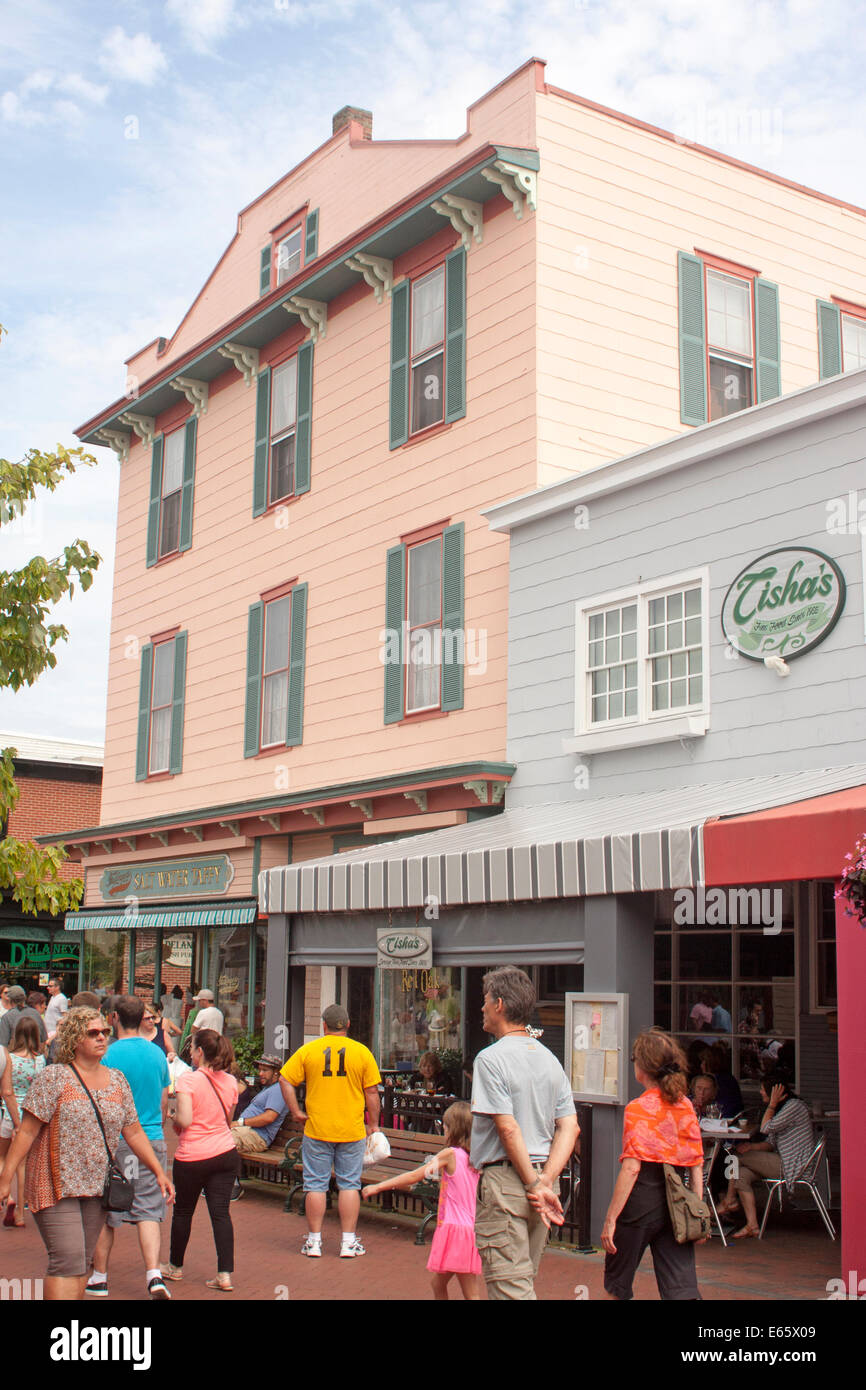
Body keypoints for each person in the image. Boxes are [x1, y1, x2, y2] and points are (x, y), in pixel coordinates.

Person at [0, 1007, 173, 1301]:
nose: (101, 1038)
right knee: (66, 1259)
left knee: (81, 1262)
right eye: (92, 1033)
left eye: (104, 1032)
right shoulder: (54, 1077)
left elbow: (133, 1131)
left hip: (96, 1185)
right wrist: (6, 1179)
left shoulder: (117, 1080)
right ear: (74, 1039)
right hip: (55, 1183)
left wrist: (159, 1172)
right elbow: (27, 1132)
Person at [470, 965, 579, 1301]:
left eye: (486, 1001)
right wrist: (546, 1180)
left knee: (510, 1289)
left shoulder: (490, 1059)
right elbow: (570, 1126)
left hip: (507, 1181)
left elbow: (506, 1126)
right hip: (544, 1181)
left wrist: (532, 1183)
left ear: (500, 1004)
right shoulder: (550, 1059)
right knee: (522, 1281)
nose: (483, 1008)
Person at [601, 1029, 705, 1301]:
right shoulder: (685, 1105)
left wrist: (611, 1218)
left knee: (618, 1285)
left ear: (642, 1067)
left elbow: (632, 1168)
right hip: (676, 1198)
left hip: (640, 1200)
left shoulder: (637, 1108)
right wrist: (698, 1211)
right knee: (681, 1288)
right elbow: (696, 1164)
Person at [85, 995, 173, 1300]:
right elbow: (163, 1101)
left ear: (114, 1018)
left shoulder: (107, 1055)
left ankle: (99, 1277)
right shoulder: (158, 1054)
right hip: (151, 1138)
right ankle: (154, 1275)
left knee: (106, 1209)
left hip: (116, 1142)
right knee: (149, 1209)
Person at [280, 1003, 382, 1259]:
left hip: (317, 1127)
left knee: (315, 1184)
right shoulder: (362, 1052)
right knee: (349, 1184)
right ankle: (348, 1242)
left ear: (323, 1026)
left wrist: (296, 1111)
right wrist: (374, 1125)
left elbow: (284, 1079)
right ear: (347, 1025)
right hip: (351, 1128)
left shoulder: (309, 1051)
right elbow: (372, 1092)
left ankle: (314, 1241)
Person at [362, 1100, 482, 1299]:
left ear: (454, 1130)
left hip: (455, 1229)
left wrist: (379, 1186)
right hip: (466, 1228)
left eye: (445, 1127)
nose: (443, 1130)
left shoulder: (450, 1154)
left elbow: (414, 1176)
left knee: (469, 1292)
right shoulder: (475, 1157)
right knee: (441, 1284)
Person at [162, 1029, 239, 1291]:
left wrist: (173, 1116)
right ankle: (224, 1274)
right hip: (225, 1152)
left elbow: (185, 1120)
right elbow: (228, 1121)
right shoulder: (230, 1082)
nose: (191, 1053)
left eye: (193, 1048)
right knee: (221, 1214)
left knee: (183, 1212)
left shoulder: (187, 1080)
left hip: (193, 1155)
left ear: (200, 1053)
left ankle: (175, 1267)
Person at [717, 1071, 815, 1238]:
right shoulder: (781, 1108)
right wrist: (752, 1147)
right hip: (781, 1160)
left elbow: (765, 1128)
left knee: (734, 1157)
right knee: (741, 1175)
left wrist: (771, 1104)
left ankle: (730, 1199)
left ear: (774, 1092)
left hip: (793, 1165)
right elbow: (769, 1143)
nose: (760, 1092)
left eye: (763, 1089)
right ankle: (752, 1225)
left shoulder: (794, 1106)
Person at [0, 1018, 46, 1225]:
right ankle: (20, 1212)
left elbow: (7, 1091)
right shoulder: (40, 1060)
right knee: (23, 1165)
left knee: (2, 1157)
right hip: (31, 1115)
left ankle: (7, 1195)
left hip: (11, 1114)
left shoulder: (9, 1058)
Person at [230, 1054, 289, 1158]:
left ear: (276, 1072)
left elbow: (269, 1117)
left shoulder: (279, 1089)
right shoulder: (268, 1088)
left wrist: (241, 1122)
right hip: (246, 1132)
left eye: (265, 1070)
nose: (260, 1073)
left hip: (257, 1136)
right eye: (260, 1070)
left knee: (222, 1142)